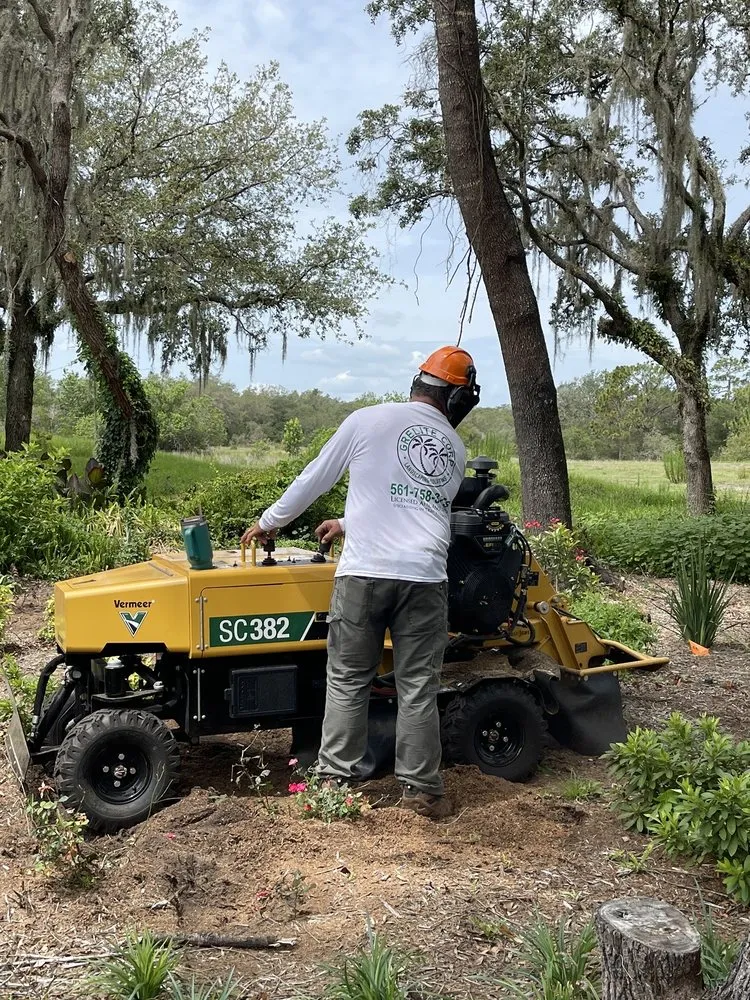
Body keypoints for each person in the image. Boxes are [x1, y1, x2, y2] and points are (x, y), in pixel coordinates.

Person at [241, 346, 480, 819]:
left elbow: (316, 477)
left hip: (365, 573)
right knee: (418, 687)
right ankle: (423, 793)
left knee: (349, 678)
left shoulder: (367, 419)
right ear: (456, 398)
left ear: (417, 384)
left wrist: (270, 522)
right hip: (425, 579)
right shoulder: (454, 448)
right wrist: (347, 523)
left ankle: (334, 785)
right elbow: (419, 508)